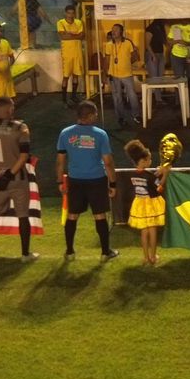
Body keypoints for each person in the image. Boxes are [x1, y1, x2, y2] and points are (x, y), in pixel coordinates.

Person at [56, 100, 118, 261]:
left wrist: (60, 181)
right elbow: (108, 162)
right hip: (96, 179)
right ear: (90, 116)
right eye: (95, 114)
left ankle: (69, 251)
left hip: (75, 180)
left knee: (72, 215)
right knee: (99, 215)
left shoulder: (65, 133)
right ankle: (105, 252)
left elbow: (60, 161)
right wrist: (113, 183)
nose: (96, 117)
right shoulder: (100, 134)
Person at [0, 95, 37, 263]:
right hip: (16, 177)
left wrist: (1, 172)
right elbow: (24, 155)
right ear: (8, 109)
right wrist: (10, 174)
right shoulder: (20, 127)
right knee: (23, 216)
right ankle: (25, 254)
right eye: (12, 107)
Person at [124, 139, 168, 266]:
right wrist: (165, 174)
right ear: (143, 161)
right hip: (150, 205)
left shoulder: (133, 174)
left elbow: (146, 180)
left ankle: (145, 257)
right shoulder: (149, 176)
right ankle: (153, 256)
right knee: (152, 231)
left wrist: (155, 175)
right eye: (149, 159)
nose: (150, 161)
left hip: (139, 204)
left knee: (144, 232)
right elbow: (158, 188)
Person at [103, 23, 142, 130]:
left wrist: (127, 62)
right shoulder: (109, 44)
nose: (113, 31)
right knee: (117, 98)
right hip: (114, 74)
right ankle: (121, 117)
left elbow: (134, 57)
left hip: (127, 74)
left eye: (116, 30)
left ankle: (136, 115)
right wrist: (104, 74)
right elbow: (106, 60)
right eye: (112, 30)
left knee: (132, 95)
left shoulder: (128, 43)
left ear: (121, 32)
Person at [56, 5, 87, 104]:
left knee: (76, 75)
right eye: (69, 13)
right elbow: (62, 37)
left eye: (72, 13)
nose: (70, 15)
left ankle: (73, 96)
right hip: (67, 54)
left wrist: (69, 34)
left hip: (77, 52)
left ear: (75, 13)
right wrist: (76, 35)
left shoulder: (79, 22)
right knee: (66, 76)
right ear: (65, 13)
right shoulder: (61, 22)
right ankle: (64, 99)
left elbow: (82, 36)